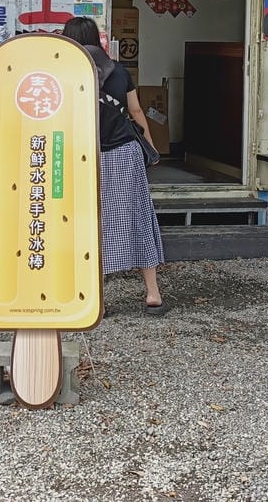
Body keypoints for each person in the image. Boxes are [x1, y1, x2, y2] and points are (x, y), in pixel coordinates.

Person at [60, 16, 168, 315]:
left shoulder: (66, 72)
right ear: (97, 39)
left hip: (84, 155)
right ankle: (152, 293)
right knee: (138, 217)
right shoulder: (119, 70)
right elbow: (135, 110)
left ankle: (97, 298)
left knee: (89, 222)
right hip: (124, 152)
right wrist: (151, 145)